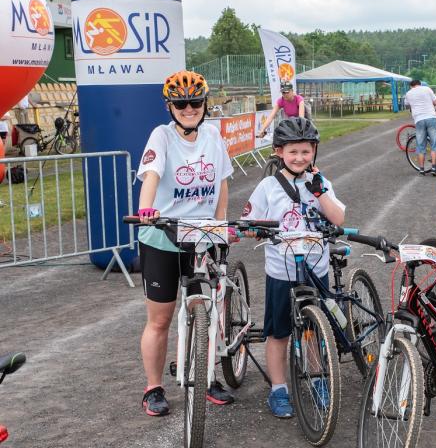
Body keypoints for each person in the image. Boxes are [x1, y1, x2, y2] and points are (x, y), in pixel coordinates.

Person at [136, 70, 236, 416]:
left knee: (205, 310)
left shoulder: (213, 136)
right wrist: (145, 209)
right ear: (170, 107)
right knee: (160, 319)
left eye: (195, 102)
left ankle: (203, 375)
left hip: (202, 237)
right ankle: (153, 388)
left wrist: (221, 222)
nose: (189, 108)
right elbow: (151, 175)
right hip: (162, 235)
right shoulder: (161, 137)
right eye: (181, 103)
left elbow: (222, 182)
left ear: (205, 104)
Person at [242, 117, 345, 418]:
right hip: (282, 271)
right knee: (279, 333)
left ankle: (316, 379)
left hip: (316, 267)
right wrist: (255, 229)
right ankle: (278, 389)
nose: (300, 158)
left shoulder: (321, 181)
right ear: (279, 152)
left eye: (306, 151)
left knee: (314, 330)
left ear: (314, 151)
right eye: (293, 152)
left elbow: (338, 219)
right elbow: (249, 222)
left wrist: (320, 192)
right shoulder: (268, 186)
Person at [404, 79, 436, 175]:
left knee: (420, 145)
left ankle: (421, 168)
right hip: (431, 118)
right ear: (420, 84)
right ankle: (433, 167)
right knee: (434, 144)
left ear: (411, 86)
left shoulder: (408, 93)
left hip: (419, 119)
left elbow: (407, 105)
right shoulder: (427, 89)